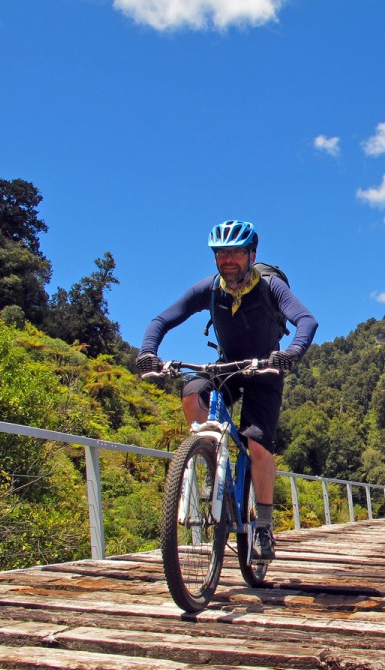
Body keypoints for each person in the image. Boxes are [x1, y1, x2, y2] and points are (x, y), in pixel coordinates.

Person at [136, 219, 318, 560]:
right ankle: (211, 459)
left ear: (252, 254)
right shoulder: (209, 289)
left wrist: (290, 354)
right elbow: (162, 320)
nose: (228, 259)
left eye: (235, 252)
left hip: (266, 368)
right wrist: (147, 352)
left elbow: (306, 320)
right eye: (221, 253)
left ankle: (263, 526)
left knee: (257, 444)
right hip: (228, 365)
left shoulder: (270, 287)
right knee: (192, 393)